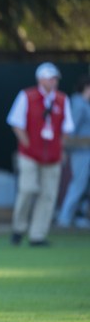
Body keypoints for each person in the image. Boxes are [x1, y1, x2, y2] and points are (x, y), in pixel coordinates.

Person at [7, 62, 74, 246]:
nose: (54, 82)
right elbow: (15, 122)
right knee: (27, 189)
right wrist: (27, 142)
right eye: (50, 78)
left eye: (55, 78)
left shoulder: (62, 99)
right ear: (41, 79)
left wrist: (60, 146)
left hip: (52, 156)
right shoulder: (27, 96)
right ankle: (19, 228)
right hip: (29, 154)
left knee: (48, 195)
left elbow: (67, 127)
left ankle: (37, 235)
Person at [57, 75, 90, 229]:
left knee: (84, 186)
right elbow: (69, 132)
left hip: (86, 151)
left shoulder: (85, 104)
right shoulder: (77, 103)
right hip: (80, 152)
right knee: (78, 184)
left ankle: (79, 216)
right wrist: (64, 148)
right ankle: (64, 217)